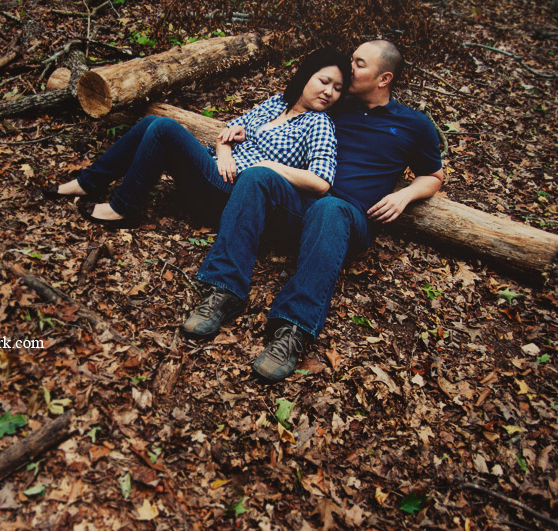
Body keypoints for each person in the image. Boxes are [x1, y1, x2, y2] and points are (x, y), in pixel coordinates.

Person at [182, 40, 444, 384]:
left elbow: (434, 176)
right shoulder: (335, 103)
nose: (349, 68)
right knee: (260, 174)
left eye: (359, 63)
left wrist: (406, 195)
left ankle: (292, 329)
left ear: (384, 79)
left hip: (349, 218)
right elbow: (287, 114)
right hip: (301, 204)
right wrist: (237, 135)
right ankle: (224, 291)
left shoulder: (414, 124)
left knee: (330, 207)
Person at [45, 48, 351, 227]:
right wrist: (225, 152)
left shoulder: (319, 124)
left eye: (337, 88)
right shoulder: (276, 103)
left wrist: (270, 168)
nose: (328, 92)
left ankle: (124, 207)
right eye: (324, 81)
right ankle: (88, 182)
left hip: (233, 193)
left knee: (164, 128)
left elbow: (321, 182)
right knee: (152, 121)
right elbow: (226, 132)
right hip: (213, 168)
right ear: (307, 76)